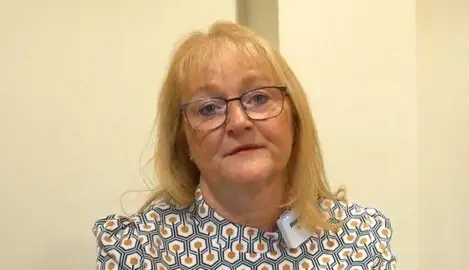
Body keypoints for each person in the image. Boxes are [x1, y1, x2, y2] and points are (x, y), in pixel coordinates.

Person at [92, 21, 396, 270]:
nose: (238, 122)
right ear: (182, 138)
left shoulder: (361, 237)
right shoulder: (140, 252)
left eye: (259, 98)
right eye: (209, 108)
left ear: (294, 117)